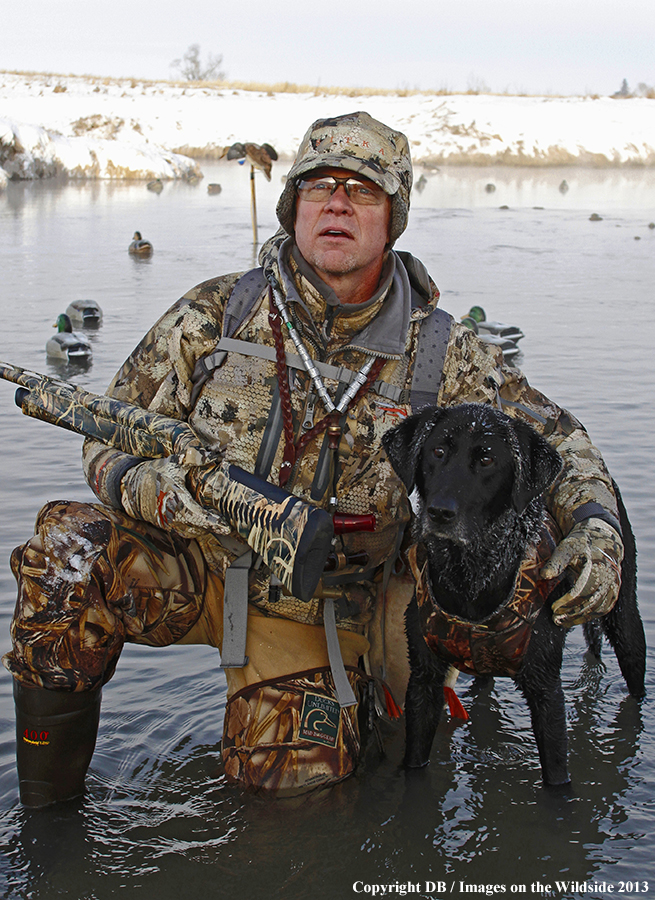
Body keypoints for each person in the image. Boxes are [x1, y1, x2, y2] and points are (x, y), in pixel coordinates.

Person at [3, 111, 624, 806]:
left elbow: (563, 443)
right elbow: (106, 439)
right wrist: (161, 492)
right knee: (67, 553)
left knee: (294, 795)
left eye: (362, 191)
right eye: (318, 185)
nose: (336, 202)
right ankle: (47, 831)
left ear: (392, 218)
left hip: (324, 603)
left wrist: (596, 534)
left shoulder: (443, 353)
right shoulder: (216, 314)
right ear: (291, 207)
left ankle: (372, 709)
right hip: (197, 564)